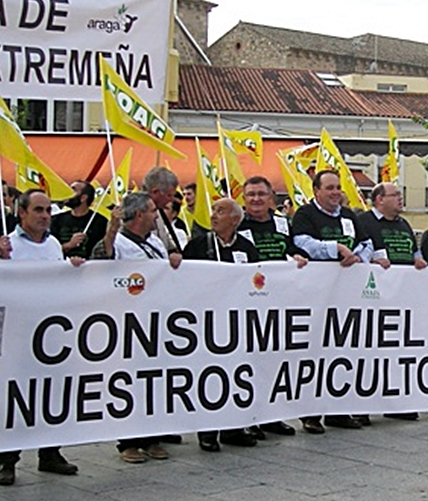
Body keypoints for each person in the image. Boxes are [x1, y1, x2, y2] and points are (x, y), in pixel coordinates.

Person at [0, 189, 82, 485]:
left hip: (51, 334)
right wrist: (1, 261)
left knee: (52, 396)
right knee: (15, 398)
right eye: (38, 210)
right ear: (23, 213)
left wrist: (73, 269)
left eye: (47, 211)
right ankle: (7, 460)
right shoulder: (7, 246)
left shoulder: (54, 244)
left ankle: (50, 452)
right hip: (18, 334)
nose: (44, 216)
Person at [292, 169, 373, 434]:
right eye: (329, 188)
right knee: (314, 353)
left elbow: (366, 243)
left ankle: (339, 409)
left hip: (345, 295)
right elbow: (302, 243)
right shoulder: (305, 215)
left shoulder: (349, 216)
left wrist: (359, 257)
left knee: (343, 350)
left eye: (338, 187)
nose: (336, 192)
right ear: (316, 191)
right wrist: (335, 249)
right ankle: (310, 413)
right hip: (316, 294)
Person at [103, 192, 181, 462]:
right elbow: (103, 259)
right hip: (131, 320)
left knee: (156, 381)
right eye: (150, 210)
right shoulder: (121, 242)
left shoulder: (155, 241)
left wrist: (173, 258)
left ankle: (152, 437)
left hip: (159, 318)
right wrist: (111, 229)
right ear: (138, 215)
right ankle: (129, 441)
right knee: (132, 382)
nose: (156, 215)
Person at [182, 198, 261, 451]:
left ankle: (233, 427)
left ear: (235, 220)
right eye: (214, 211)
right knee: (210, 375)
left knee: (237, 374)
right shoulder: (198, 245)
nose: (214, 215)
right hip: (207, 320)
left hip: (237, 321)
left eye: (221, 211)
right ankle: (208, 430)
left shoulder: (247, 248)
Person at [237, 176, 305, 439]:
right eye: (250, 194)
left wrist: (297, 256)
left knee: (274, 360)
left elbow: (291, 248)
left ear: (271, 199)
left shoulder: (282, 223)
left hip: (279, 300)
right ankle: (248, 417)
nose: (255, 199)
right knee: (249, 361)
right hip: (250, 300)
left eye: (261, 194)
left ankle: (272, 416)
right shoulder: (238, 223)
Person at [357, 182, 427, 422]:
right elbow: (360, 253)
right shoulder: (364, 222)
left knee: (398, 353)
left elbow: (414, 251)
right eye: (395, 195)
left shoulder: (403, 224)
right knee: (369, 352)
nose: (400, 198)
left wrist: (419, 260)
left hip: (402, 299)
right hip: (374, 299)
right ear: (379, 200)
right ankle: (362, 405)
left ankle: (395, 402)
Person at [49, 181, 108, 259]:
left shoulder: (100, 222)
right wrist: (69, 245)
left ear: (83, 198)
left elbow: (104, 251)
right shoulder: (56, 220)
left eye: (73, 190)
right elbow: (49, 251)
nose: (68, 193)